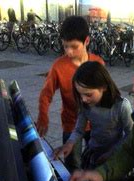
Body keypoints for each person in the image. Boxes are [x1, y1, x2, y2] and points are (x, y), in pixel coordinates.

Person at [36, 16, 104, 172]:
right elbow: (46, 93)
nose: (69, 51)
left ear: (86, 41)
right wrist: (43, 116)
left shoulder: (98, 63)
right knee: (73, 166)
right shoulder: (58, 66)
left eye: (74, 47)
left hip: (96, 125)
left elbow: (106, 95)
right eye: (65, 46)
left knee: (96, 161)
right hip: (71, 124)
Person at [54, 61, 133, 169]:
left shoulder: (121, 106)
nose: (83, 99)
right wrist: (69, 143)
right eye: (80, 94)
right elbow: (79, 130)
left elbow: (130, 134)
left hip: (114, 158)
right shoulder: (86, 105)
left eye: (88, 94)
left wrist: (111, 153)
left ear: (103, 87)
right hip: (93, 153)